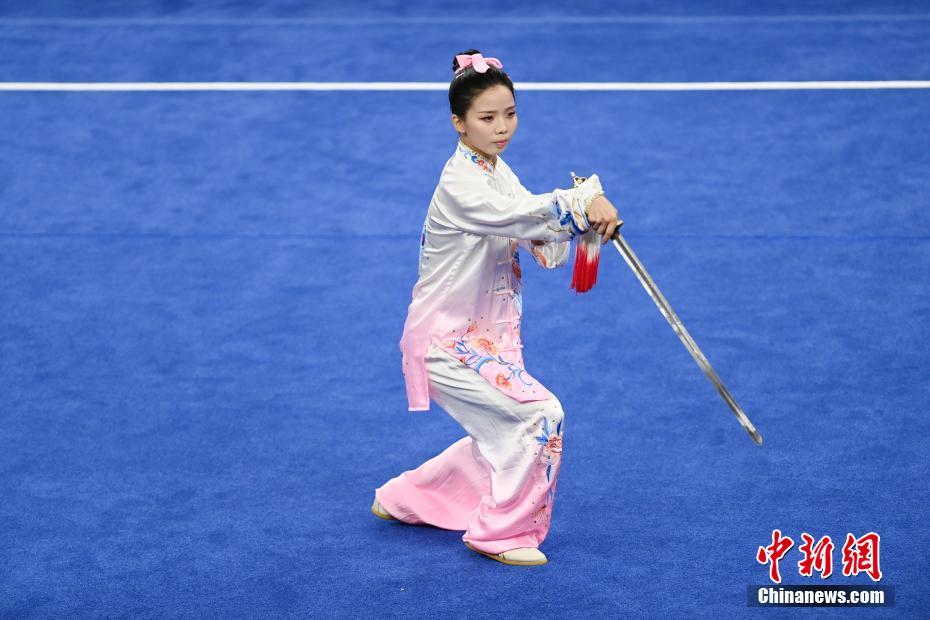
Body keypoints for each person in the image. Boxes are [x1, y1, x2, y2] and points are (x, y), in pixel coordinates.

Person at [372, 49, 621, 566]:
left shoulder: (494, 170)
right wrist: (580, 202)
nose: (501, 127)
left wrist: (585, 227)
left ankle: (406, 498)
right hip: (447, 343)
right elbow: (524, 215)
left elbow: (544, 246)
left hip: (486, 340)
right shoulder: (459, 183)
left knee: (501, 433)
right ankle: (501, 534)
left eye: (509, 114)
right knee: (539, 416)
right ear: (458, 123)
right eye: (487, 118)